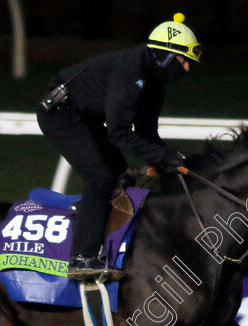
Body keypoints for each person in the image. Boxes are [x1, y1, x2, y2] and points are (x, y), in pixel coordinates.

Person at [37, 13, 201, 282]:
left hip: (86, 117)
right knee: (101, 177)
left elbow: (147, 133)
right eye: (184, 61)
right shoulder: (132, 72)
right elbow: (119, 134)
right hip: (61, 116)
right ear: (167, 56)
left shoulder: (154, 82)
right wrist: (165, 156)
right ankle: (81, 258)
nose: (186, 69)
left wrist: (170, 160)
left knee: (119, 174)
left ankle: (96, 227)